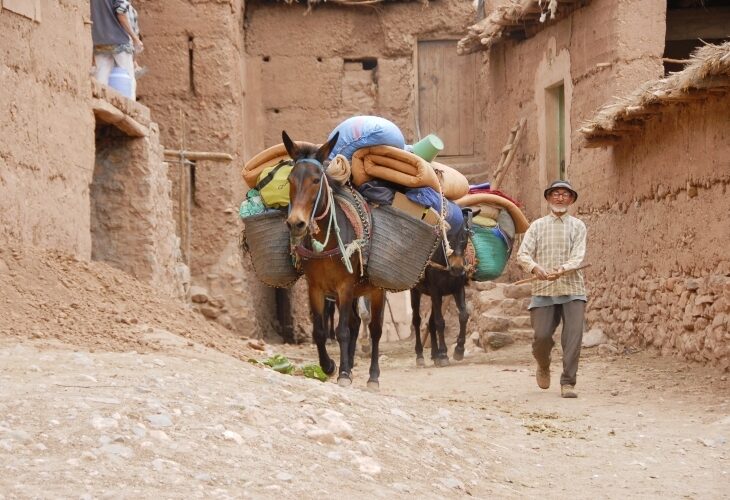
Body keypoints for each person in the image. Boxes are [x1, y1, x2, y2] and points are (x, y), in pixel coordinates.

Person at [516, 180, 587, 398]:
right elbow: (523, 254)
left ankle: (568, 383)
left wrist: (563, 269)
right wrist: (535, 268)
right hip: (543, 290)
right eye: (555, 194)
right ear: (548, 198)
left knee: (573, 338)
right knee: (542, 337)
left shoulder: (578, 226)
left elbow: (578, 256)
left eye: (565, 195)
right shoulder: (537, 226)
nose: (560, 198)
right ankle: (543, 364)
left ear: (571, 199)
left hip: (572, 288)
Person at [90, 0, 143, 100]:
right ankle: (130, 109)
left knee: (101, 79)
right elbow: (121, 12)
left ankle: (101, 103)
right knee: (128, 78)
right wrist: (135, 38)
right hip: (119, 40)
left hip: (99, 40)